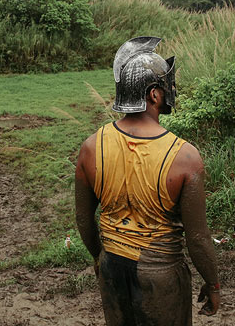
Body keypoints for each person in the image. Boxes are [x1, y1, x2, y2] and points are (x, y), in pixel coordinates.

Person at [75, 37, 220, 325]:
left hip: (111, 265)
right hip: (161, 275)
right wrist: (213, 283)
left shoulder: (91, 146)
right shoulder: (185, 157)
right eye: (166, 87)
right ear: (154, 95)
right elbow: (198, 238)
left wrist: (99, 257)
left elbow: (83, 218)